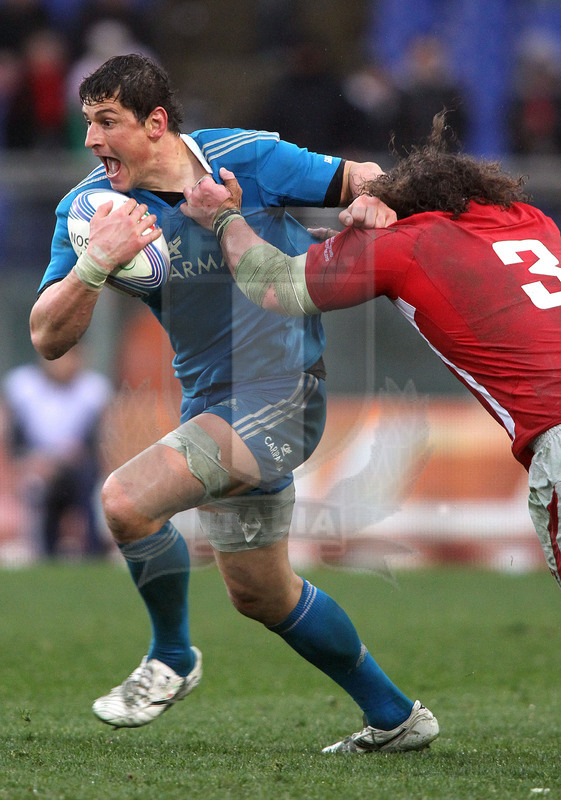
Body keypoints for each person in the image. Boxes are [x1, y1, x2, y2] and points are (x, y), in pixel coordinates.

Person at [29, 53, 438, 753]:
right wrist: (96, 265)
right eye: (87, 122)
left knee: (125, 501)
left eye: (107, 121)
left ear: (155, 123)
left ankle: (171, 656)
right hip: (211, 404)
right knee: (261, 594)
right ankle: (396, 717)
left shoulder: (244, 158)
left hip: (284, 395)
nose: (92, 139)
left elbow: (359, 176)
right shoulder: (90, 211)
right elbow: (46, 336)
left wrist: (375, 198)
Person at [182, 112, 561, 748]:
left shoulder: (404, 244)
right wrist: (350, 233)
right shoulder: (532, 221)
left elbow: (274, 286)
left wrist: (224, 219)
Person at [2, 347, 112, 558]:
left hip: (77, 466)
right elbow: (14, 440)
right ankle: (44, 551)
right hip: (37, 467)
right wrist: (30, 461)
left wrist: (69, 456)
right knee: (38, 490)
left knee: (89, 485)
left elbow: (96, 441)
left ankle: (93, 549)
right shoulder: (22, 386)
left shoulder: (93, 390)